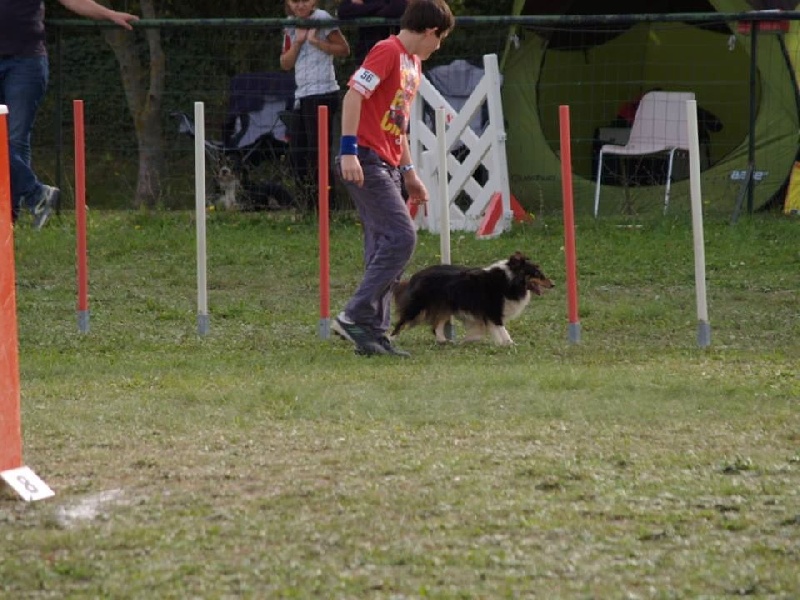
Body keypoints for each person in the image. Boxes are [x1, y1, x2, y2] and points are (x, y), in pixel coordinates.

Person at [331, 0, 454, 357]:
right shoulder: (387, 50)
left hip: (386, 162)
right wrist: (349, 149)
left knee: (381, 246)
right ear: (431, 31)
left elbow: (397, 125)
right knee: (402, 237)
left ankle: (373, 334)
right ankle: (354, 314)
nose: (439, 46)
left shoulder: (412, 63)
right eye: (441, 38)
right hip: (365, 158)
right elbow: (354, 95)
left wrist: (409, 172)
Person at [0, 0, 138, 229]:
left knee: (16, 139)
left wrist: (108, 14)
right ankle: (35, 195)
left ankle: (10, 215)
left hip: (25, 62)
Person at [280, 0, 350, 210]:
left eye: (305, 1)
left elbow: (343, 49)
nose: (300, 5)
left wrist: (316, 42)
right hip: (302, 94)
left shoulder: (322, 19)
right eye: (295, 1)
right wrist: (299, 42)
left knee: (318, 153)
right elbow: (285, 63)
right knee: (297, 153)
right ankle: (308, 205)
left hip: (322, 92)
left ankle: (328, 207)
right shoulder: (290, 24)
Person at [337, 0, 408, 64]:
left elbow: (396, 10)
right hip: (365, 57)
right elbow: (343, 11)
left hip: (392, 56)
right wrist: (379, 7)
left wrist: (363, 9)